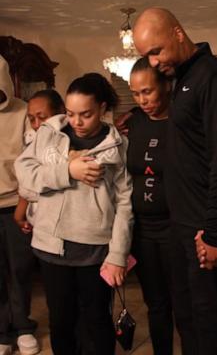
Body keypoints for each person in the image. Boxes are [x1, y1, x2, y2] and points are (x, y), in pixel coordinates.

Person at [133, 8, 217, 355]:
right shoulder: (181, 80)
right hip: (180, 228)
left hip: (204, 229)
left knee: (208, 323)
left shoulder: (214, 77)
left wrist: (214, 233)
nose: (152, 63)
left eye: (156, 51)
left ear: (178, 33)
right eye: (145, 56)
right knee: (187, 319)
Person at [14, 73, 134, 355]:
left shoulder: (118, 146)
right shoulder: (49, 133)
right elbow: (26, 175)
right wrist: (68, 171)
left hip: (95, 249)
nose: (76, 122)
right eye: (70, 113)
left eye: (86, 114)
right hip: (51, 246)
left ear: (103, 108)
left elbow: (125, 205)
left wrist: (118, 256)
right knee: (61, 322)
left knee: (97, 322)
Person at [118, 57, 173, 354]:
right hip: (143, 229)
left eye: (148, 91)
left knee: (186, 302)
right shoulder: (133, 121)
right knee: (156, 304)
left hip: (176, 227)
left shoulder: (183, 118)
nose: (143, 100)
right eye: (136, 93)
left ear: (166, 84)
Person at [0, 55, 39, 355]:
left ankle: (23, 326)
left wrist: (24, 206)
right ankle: (3, 332)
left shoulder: (24, 112)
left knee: (21, 268)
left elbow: (34, 160)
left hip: (16, 202)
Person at [14, 89, 65, 234]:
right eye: (31, 119)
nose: (36, 125)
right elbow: (26, 179)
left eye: (42, 117)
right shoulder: (31, 139)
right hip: (37, 222)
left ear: (61, 112)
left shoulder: (65, 141)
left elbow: (41, 184)